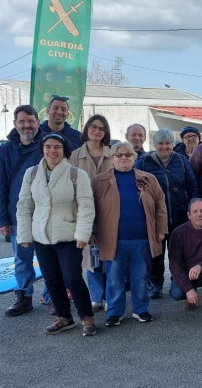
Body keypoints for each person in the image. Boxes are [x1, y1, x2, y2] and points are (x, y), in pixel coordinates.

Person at [16, 133, 97, 336]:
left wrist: (82, 235)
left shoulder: (76, 174)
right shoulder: (32, 174)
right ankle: (64, 317)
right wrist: (25, 236)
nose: (52, 151)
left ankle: (86, 316)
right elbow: (25, 205)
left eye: (57, 147)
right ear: (42, 149)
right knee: (51, 279)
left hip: (69, 236)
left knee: (73, 279)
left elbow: (86, 207)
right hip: (41, 236)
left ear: (64, 150)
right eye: (48, 147)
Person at [92, 142, 168, 327]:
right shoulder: (99, 181)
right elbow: (91, 209)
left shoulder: (148, 179)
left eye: (128, 154)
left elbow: (160, 204)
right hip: (113, 239)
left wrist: (161, 229)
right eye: (119, 155)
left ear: (134, 157)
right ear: (111, 159)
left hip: (141, 238)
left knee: (140, 276)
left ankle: (141, 309)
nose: (124, 158)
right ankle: (114, 312)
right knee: (114, 278)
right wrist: (92, 233)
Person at [136, 129, 200, 298]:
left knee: (178, 252)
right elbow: (135, 188)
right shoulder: (144, 162)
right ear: (154, 145)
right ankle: (155, 283)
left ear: (172, 144)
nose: (164, 147)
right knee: (156, 253)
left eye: (167, 143)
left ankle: (177, 280)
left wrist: (191, 208)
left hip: (179, 214)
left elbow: (192, 186)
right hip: (156, 217)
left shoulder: (180, 160)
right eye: (160, 143)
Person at [1, 105, 46, 316]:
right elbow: (1, 185)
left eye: (30, 121)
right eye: (22, 121)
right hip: (18, 213)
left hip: (47, 213)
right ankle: (23, 296)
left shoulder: (49, 145)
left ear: (38, 122)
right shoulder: (5, 150)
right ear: (15, 124)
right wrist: (3, 219)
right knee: (22, 257)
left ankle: (52, 294)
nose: (27, 125)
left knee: (50, 256)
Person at [69, 114, 114, 311]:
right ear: (87, 128)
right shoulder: (75, 155)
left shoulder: (112, 153)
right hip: (85, 212)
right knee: (91, 257)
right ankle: (97, 297)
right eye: (94, 127)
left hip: (110, 212)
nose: (97, 131)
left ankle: (112, 297)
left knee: (110, 257)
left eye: (101, 128)